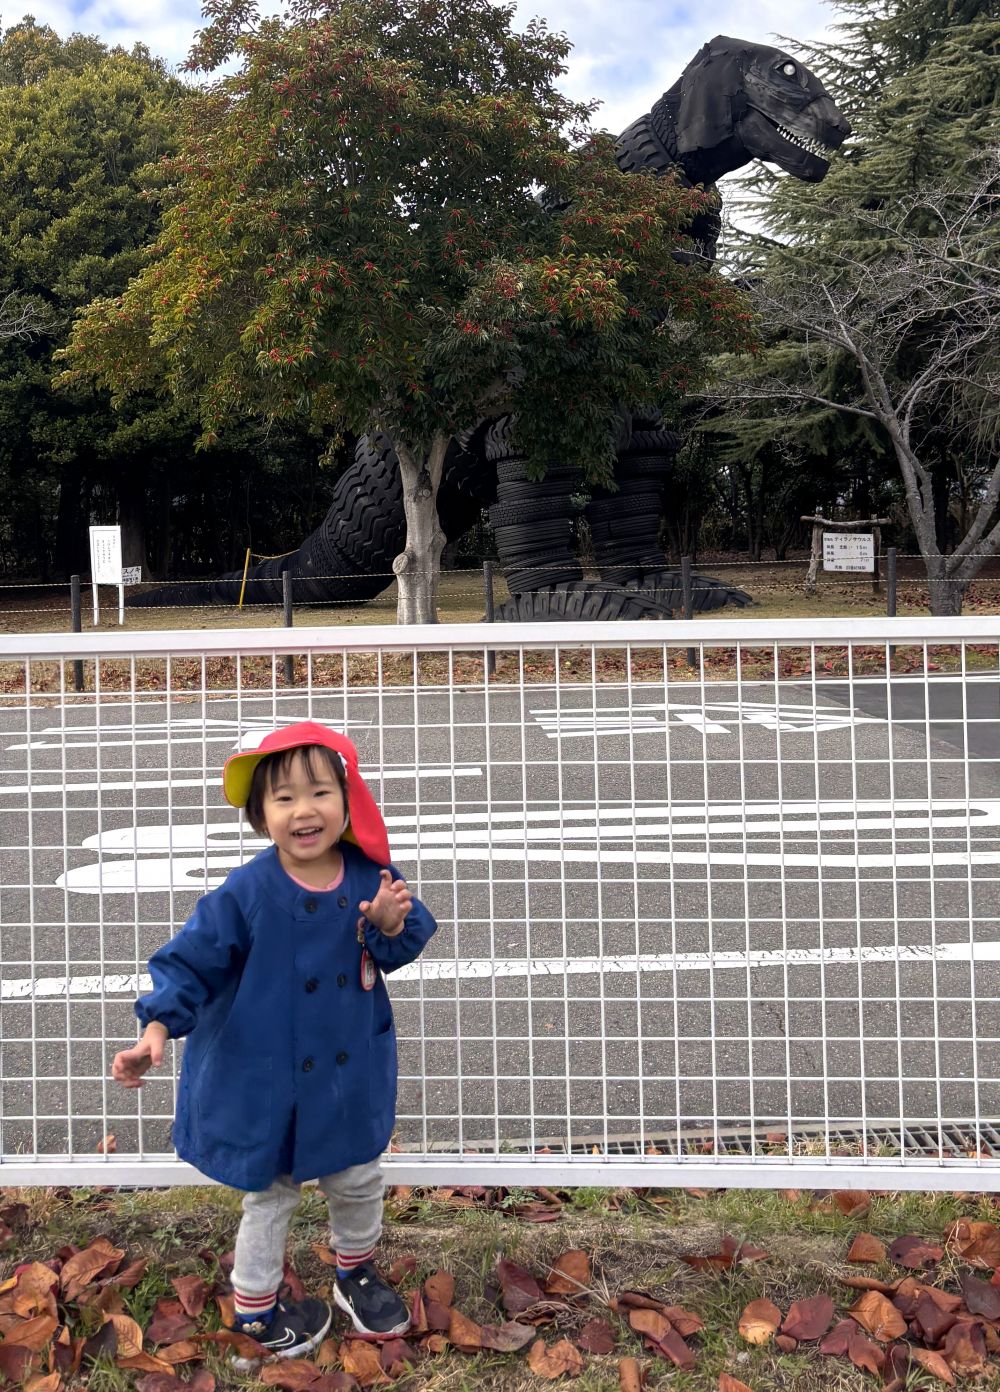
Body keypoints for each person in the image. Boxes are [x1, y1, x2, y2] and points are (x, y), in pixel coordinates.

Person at [111, 722, 436, 1365]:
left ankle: (357, 1273)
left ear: (348, 803)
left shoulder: (370, 876)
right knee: (272, 1192)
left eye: (319, 791)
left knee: (359, 1176)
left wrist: (390, 927)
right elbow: (190, 962)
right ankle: (255, 1310)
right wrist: (156, 1027)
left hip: (348, 1071)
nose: (303, 810)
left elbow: (399, 942)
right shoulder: (248, 892)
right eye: (283, 797)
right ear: (262, 815)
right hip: (270, 1076)